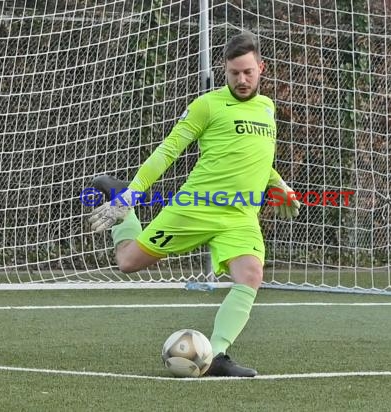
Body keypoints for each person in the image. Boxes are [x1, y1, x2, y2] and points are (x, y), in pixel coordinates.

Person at [88, 31, 300, 377]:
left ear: (261, 68)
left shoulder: (267, 107)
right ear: (224, 71)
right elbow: (168, 151)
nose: (242, 79)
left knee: (250, 276)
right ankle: (117, 195)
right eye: (234, 73)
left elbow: (258, 158)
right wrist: (132, 194)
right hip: (195, 207)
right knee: (127, 262)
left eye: (248, 72)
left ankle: (216, 355)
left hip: (240, 217)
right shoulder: (207, 106)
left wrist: (280, 186)